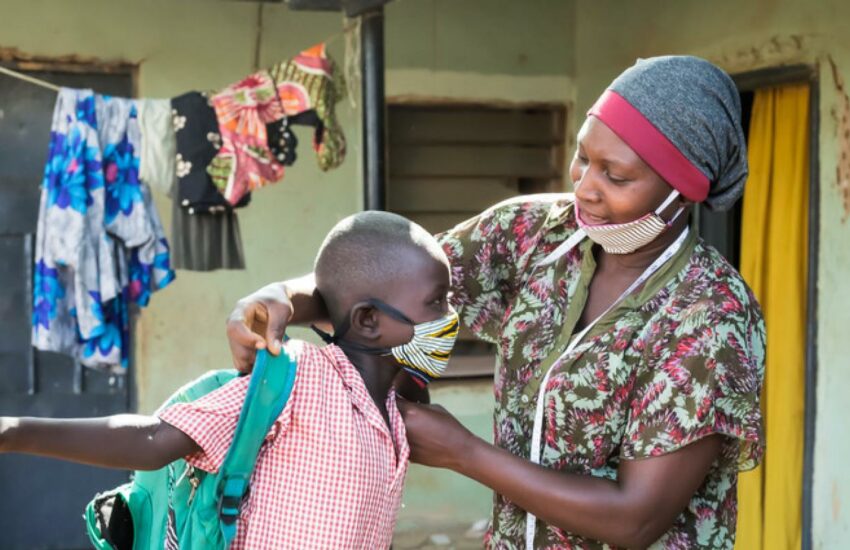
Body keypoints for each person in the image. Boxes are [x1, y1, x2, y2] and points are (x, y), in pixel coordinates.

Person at [226, 56, 765, 549]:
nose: (585, 188)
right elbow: (382, 287)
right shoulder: (535, 234)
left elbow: (637, 518)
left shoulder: (709, 317)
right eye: (582, 157)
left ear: (683, 189)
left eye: (616, 176)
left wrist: (466, 453)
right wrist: (283, 300)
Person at [0, 211, 459, 549]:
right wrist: (15, 431)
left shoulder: (395, 415)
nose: (452, 317)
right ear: (368, 320)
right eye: (438, 302)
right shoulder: (300, 379)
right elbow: (155, 439)